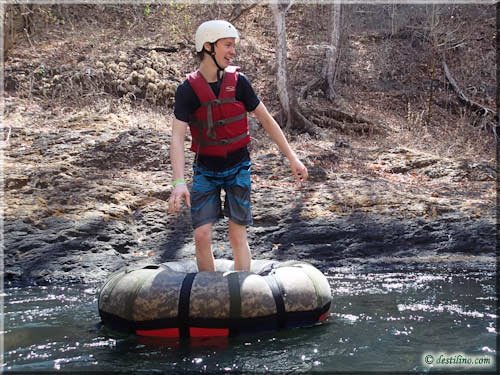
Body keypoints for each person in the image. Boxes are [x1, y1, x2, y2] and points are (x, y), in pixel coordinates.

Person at [168, 20, 308, 272]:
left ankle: (241, 295)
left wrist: (292, 158)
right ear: (208, 46)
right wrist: (179, 183)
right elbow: (177, 137)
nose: (233, 51)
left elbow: (266, 120)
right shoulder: (187, 90)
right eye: (228, 45)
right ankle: (208, 297)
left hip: (237, 166)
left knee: (236, 235)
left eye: (234, 46)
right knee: (201, 235)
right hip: (205, 170)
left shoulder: (239, 82)